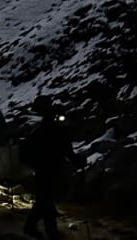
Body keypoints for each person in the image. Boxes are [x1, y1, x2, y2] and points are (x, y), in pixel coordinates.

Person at [21, 96, 82, 240]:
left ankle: (32, 227)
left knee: (44, 201)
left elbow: (67, 149)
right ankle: (50, 231)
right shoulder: (46, 130)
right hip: (46, 169)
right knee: (46, 201)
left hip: (51, 169)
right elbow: (65, 147)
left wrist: (76, 160)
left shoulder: (50, 131)